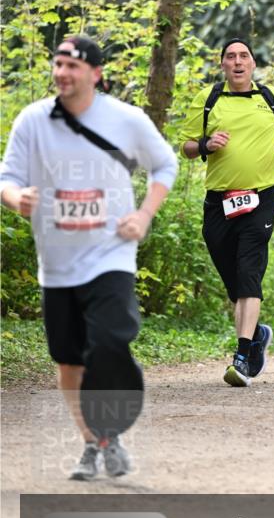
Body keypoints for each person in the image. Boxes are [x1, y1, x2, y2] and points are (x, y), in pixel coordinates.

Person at [0, 35, 177, 480]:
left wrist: (143, 214)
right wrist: (15, 197)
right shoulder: (33, 121)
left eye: (72, 66)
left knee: (109, 342)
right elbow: (6, 177)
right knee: (69, 361)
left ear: (95, 74)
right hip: (57, 264)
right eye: (58, 64)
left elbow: (165, 165)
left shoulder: (126, 119)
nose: (62, 73)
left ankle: (109, 427)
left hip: (110, 254)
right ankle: (96, 444)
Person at [179, 37, 274, 387]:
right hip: (219, 200)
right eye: (230, 56)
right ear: (222, 64)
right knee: (232, 275)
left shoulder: (273, 99)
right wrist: (205, 144)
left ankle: (243, 355)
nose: (237, 61)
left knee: (249, 271)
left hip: (260, 196)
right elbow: (187, 145)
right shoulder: (208, 99)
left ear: (253, 63)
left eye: (243, 56)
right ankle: (258, 332)